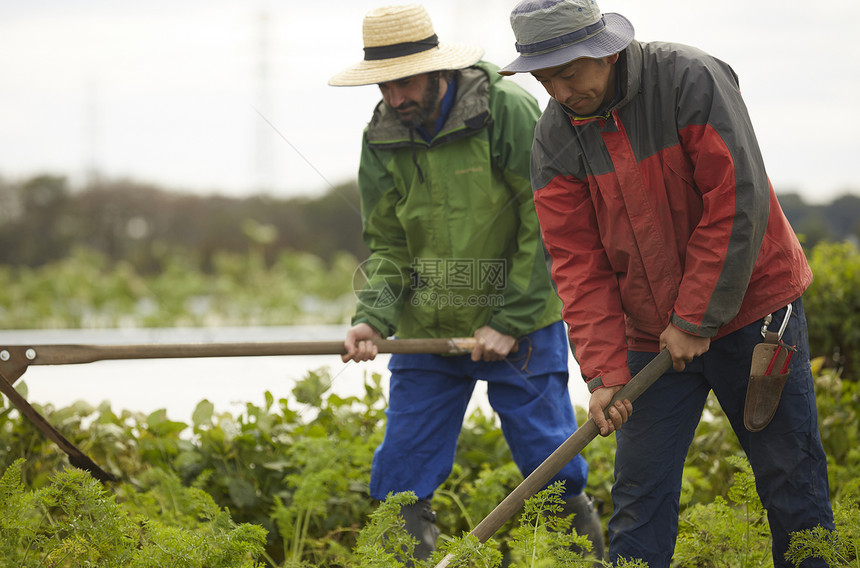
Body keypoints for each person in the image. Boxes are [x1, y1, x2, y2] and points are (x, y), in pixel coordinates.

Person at [498, 0, 835, 566]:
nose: (557, 91)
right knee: (638, 496)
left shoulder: (689, 78)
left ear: (602, 52)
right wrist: (604, 373)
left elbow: (735, 201)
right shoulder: (555, 136)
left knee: (791, 483)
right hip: (648, 334)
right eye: (543, 78)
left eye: (567, 73)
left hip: (754, 313)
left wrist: (695, 317)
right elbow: (577, 262)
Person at [329, 4, 604, 562]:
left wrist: (508, 320)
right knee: (401, 475)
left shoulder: (507, 110)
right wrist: (372, 318)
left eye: (404, 82)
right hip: (426, 332)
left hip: (521, 327)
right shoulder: (381, 136)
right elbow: (390, 246)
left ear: (436, 70)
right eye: (384, 85)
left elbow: (548, 220)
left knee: (552, 465)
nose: (395, 98)